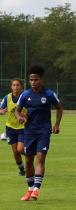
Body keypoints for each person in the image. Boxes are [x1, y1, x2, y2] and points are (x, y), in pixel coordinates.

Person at [15, 65, 63, 201]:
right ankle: (29, 190)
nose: (33, 82)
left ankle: (36, 189)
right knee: (28, 161)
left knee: (40, 158)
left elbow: (59, 108)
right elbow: (17, 110)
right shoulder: (25, 94)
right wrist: (20, 118)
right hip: (29, 131)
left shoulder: (49, 94)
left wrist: (57, 124)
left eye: (35, 80)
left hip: (44, 131)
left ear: (41, 79)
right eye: (31, 80)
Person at [0, 78, 28, 176]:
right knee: (15, 151)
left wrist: (27, 114)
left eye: (18, 85)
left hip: (22, 127)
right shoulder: (7, 97)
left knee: (20, 149)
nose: (16, 87)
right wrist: (2, 112)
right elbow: (2, 109)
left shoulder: (26, 97)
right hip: (10, 127)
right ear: (11, 87)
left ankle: (32, 154)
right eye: (14, 85)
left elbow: (32, 110)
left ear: (21, 86)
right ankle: (22, 170)